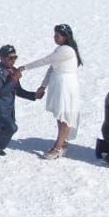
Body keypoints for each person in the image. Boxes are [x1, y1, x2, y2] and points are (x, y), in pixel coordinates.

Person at [18, 23, 82, 160]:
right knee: (61, 116)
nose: (55, 37)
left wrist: (25, 67)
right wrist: (43, 86)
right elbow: (52, 68)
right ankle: (62, 143)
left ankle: (58, 146)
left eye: (58, 35)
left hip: (65, 85)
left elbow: (46, 61)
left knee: (64, 116)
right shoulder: (61, 50)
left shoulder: (66, 50)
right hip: (59, 83)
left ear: (65, 37)